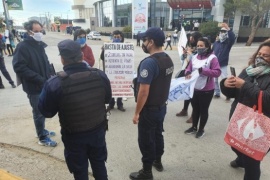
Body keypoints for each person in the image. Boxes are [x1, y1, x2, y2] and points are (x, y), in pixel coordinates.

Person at [38, 39, 112, 180]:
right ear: (82, 56)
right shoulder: (100, 76)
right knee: (99, 165)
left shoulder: (55, 84)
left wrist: (47, 87)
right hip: (97, 132)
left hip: (74, 137)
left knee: (80, 172)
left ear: (63, 59)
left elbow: (46, 112)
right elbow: (108, 99)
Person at [220, 40, 270, 180]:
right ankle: (241, 159)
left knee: (252, 162)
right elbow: (233, 93)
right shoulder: (249, 70)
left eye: (265, 56)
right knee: (235, 145)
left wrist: (244, 85)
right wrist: (226, 84)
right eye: (259, 54)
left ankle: (246, 164)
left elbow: (267, 100)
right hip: (240, 118)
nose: (260, 57)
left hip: (260, 126)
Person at [129, 27, 174, 180]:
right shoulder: (167, 58)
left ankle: (146, 172)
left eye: (144, 40)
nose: (143, 43)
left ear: (151, 42)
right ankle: (157, 160)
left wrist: (136, 113)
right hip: (161, 107)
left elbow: (143, 92)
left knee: (146, 140)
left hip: (149, 110)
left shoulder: (149, 63)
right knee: (157, 134)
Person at [12, 20, 57, 147]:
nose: (39, 34)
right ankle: (42, 137)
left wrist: (51, 75)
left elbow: (45, 62)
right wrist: (38, 78)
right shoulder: (23, 47)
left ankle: (41, 130)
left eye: (40, 31)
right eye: (36, 31)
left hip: (44, 83)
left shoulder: (39, 45)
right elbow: (19, 67)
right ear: (29, 31)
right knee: (38, 111)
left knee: (42, 109)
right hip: (33, 86)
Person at [184, 37, 221, 138]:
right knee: (195, 109)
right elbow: (189, 67)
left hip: (207, 90)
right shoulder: (195, 56)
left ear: (207, 47)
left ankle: (201, 129)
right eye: (198, 46)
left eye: (201, 46)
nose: (199, 48)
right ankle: (194, 127)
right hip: (194, 88)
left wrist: (203, 71)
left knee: (203, 110)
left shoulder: (212, 58)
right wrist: (187, 72)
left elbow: (217, 72)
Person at [176, 32, 202, 124]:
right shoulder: (191, 48)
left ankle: (193, 116)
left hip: (195, 75)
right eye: (190, 38)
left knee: (193, 96)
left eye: (192, 38)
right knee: (187, 93)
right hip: (187, 73)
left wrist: (190, 54)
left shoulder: (200, 50)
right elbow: (183, 59)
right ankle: (185, 110)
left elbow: (195, 61)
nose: (191, 40)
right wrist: (184, 54)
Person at [100, 30, 126, 112]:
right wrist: (104, 50)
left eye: (118, 37)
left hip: (121, 71)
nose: (116, 38)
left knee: (119, 88)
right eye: (115, 37)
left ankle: (119, 104)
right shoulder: (108, 47)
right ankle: (111, 104)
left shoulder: (125, 47)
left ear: (121, 38)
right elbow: (102, 58)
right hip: (111, 71)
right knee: (111, 88)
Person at [213, 23, 235, 100]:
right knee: (214, 80)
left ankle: (228, 94)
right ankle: (217, 93)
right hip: (215, 65)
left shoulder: (228, 43)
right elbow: (212, 52)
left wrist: (228, 29)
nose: (222, 33)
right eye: (221, 31)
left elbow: (232, 38)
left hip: (223, 64)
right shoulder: (216, 42)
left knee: (225, 80)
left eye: (224, 31)